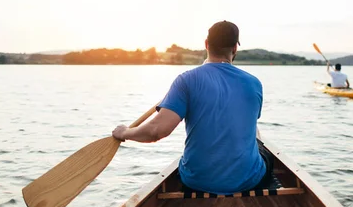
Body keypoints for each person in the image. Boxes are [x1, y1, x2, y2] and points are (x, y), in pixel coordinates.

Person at [112, 21, 273, 194]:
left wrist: (125, 132)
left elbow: (157, 131)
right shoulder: (254, 83)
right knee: (257, 136)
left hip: (196, 181)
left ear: (206, 44)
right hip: (247, 181)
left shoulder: (186, 80)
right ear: (235, 48)